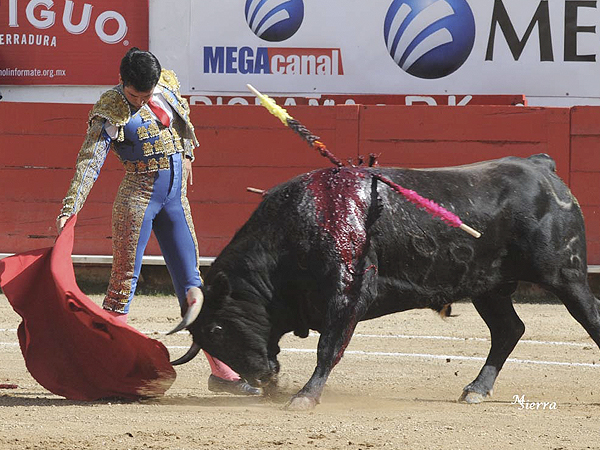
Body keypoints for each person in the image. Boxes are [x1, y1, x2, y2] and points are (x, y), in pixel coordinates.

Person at [56, 47, 259, 396]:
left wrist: (187, 153)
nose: (141, 101)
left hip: (175, 202)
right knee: (122, 287)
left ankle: (223, 374)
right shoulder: (110, 108)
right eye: (135, 95)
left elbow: (182, 120)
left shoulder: (165, 85)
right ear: (122, 82)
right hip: (137, 201)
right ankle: (106, 372)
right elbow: (90, 160)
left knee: (194, 287)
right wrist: (70, 206)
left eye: (146, 95)